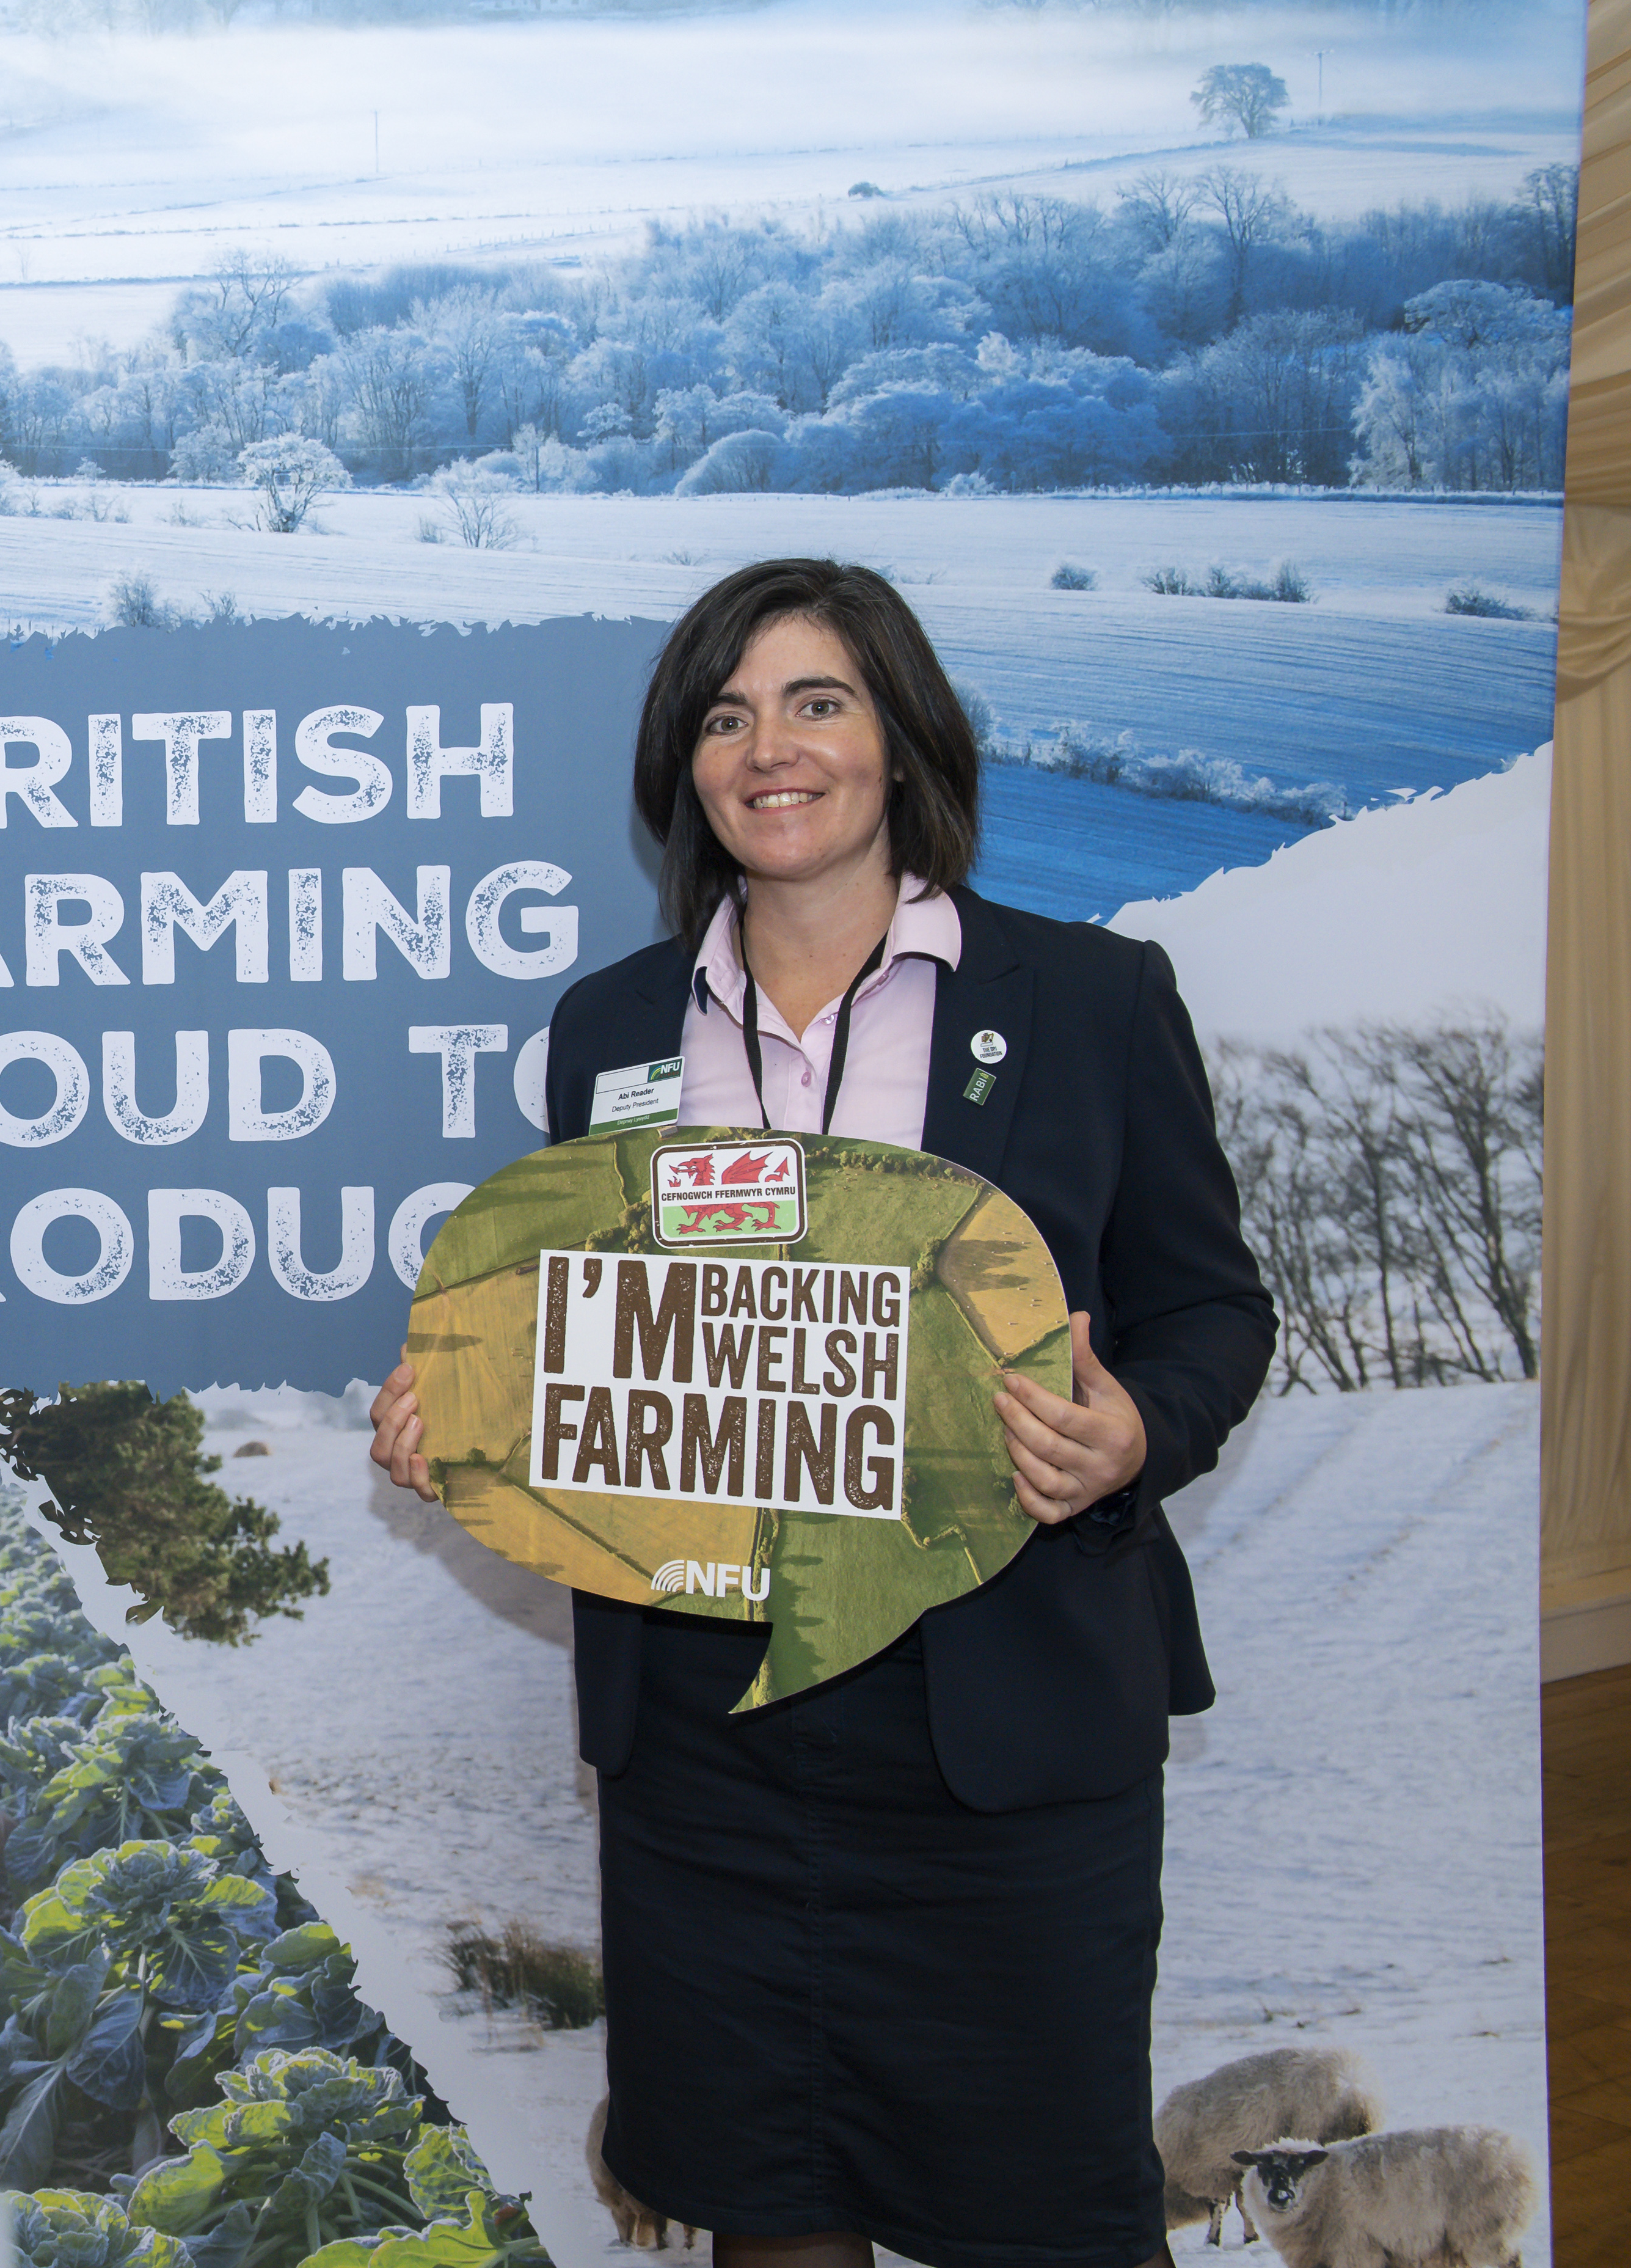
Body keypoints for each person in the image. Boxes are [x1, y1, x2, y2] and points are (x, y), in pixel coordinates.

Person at [369, 558, 1273, 2268]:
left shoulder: (1086, 1002)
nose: (769, 749)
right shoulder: (612, 1031)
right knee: (764, 2208)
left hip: (1000, 1721)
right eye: (725, 714)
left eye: (817, 701)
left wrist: (1134, 1430)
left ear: (901, 736)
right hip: (711, 1736)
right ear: (684, 770)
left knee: (1057, 2220)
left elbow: (1210, 1308)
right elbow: (589, 1336)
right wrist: (465, 1413)